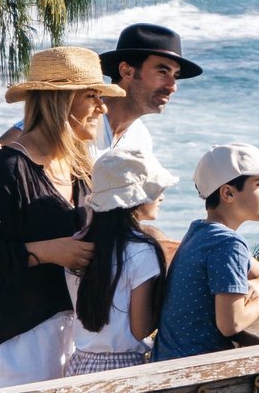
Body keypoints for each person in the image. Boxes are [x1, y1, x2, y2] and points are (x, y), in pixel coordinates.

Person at [0, 47, 118, 390]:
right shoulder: (8, 169)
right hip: (14, 344)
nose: (102, 108)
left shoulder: (79, 169)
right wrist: (46, 252)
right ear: (61, 101)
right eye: (92, 96)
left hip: (65, 340)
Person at [0, 23, 203, 184]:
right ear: (127, 70)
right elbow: (1, 144)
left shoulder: (141, 139)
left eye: (176, 75)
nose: (173, 85)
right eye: (163, 72)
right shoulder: (76, 117)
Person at [151, 144, 259, 362]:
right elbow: (231, 324)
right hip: (194, 375)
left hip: (167, 363)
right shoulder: (229, 244)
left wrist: (257, 286)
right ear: (228, 193)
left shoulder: (200, 232)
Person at [68, 151, 175, 374]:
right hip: (123, 368)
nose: (162, 196)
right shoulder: (142, 250)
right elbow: (140, 329)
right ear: (134, 200)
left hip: (80, 364)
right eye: (156, 191)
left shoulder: (78, 242)